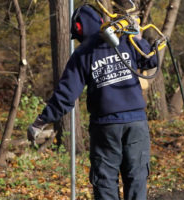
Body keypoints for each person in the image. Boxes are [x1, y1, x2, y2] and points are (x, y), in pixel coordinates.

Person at [27, 4, 157, 200]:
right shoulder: (125, 39)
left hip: (105, 127)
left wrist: (40, 122)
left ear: (79, 29)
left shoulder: (83, 53)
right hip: (136, 124)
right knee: (136, 179)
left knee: (105, 182)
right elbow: (151, 61)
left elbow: (65, 95)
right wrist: (139, 39)